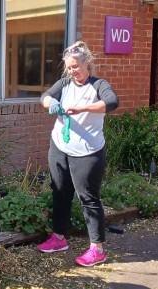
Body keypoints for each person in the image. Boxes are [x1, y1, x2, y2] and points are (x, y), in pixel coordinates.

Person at [37, 40, 120, 267]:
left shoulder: (98, 85)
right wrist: (51, 102)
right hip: (60, 147)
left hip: (88, 152)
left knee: (88, 199)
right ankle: (59, 238)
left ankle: (97, 249)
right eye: (69, 67)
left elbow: (112, 103)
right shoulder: (65, 84)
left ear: (87, 64)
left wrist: (82, 108)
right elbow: (44, 96)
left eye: (76, 66)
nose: (73, 71)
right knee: (60, 193)